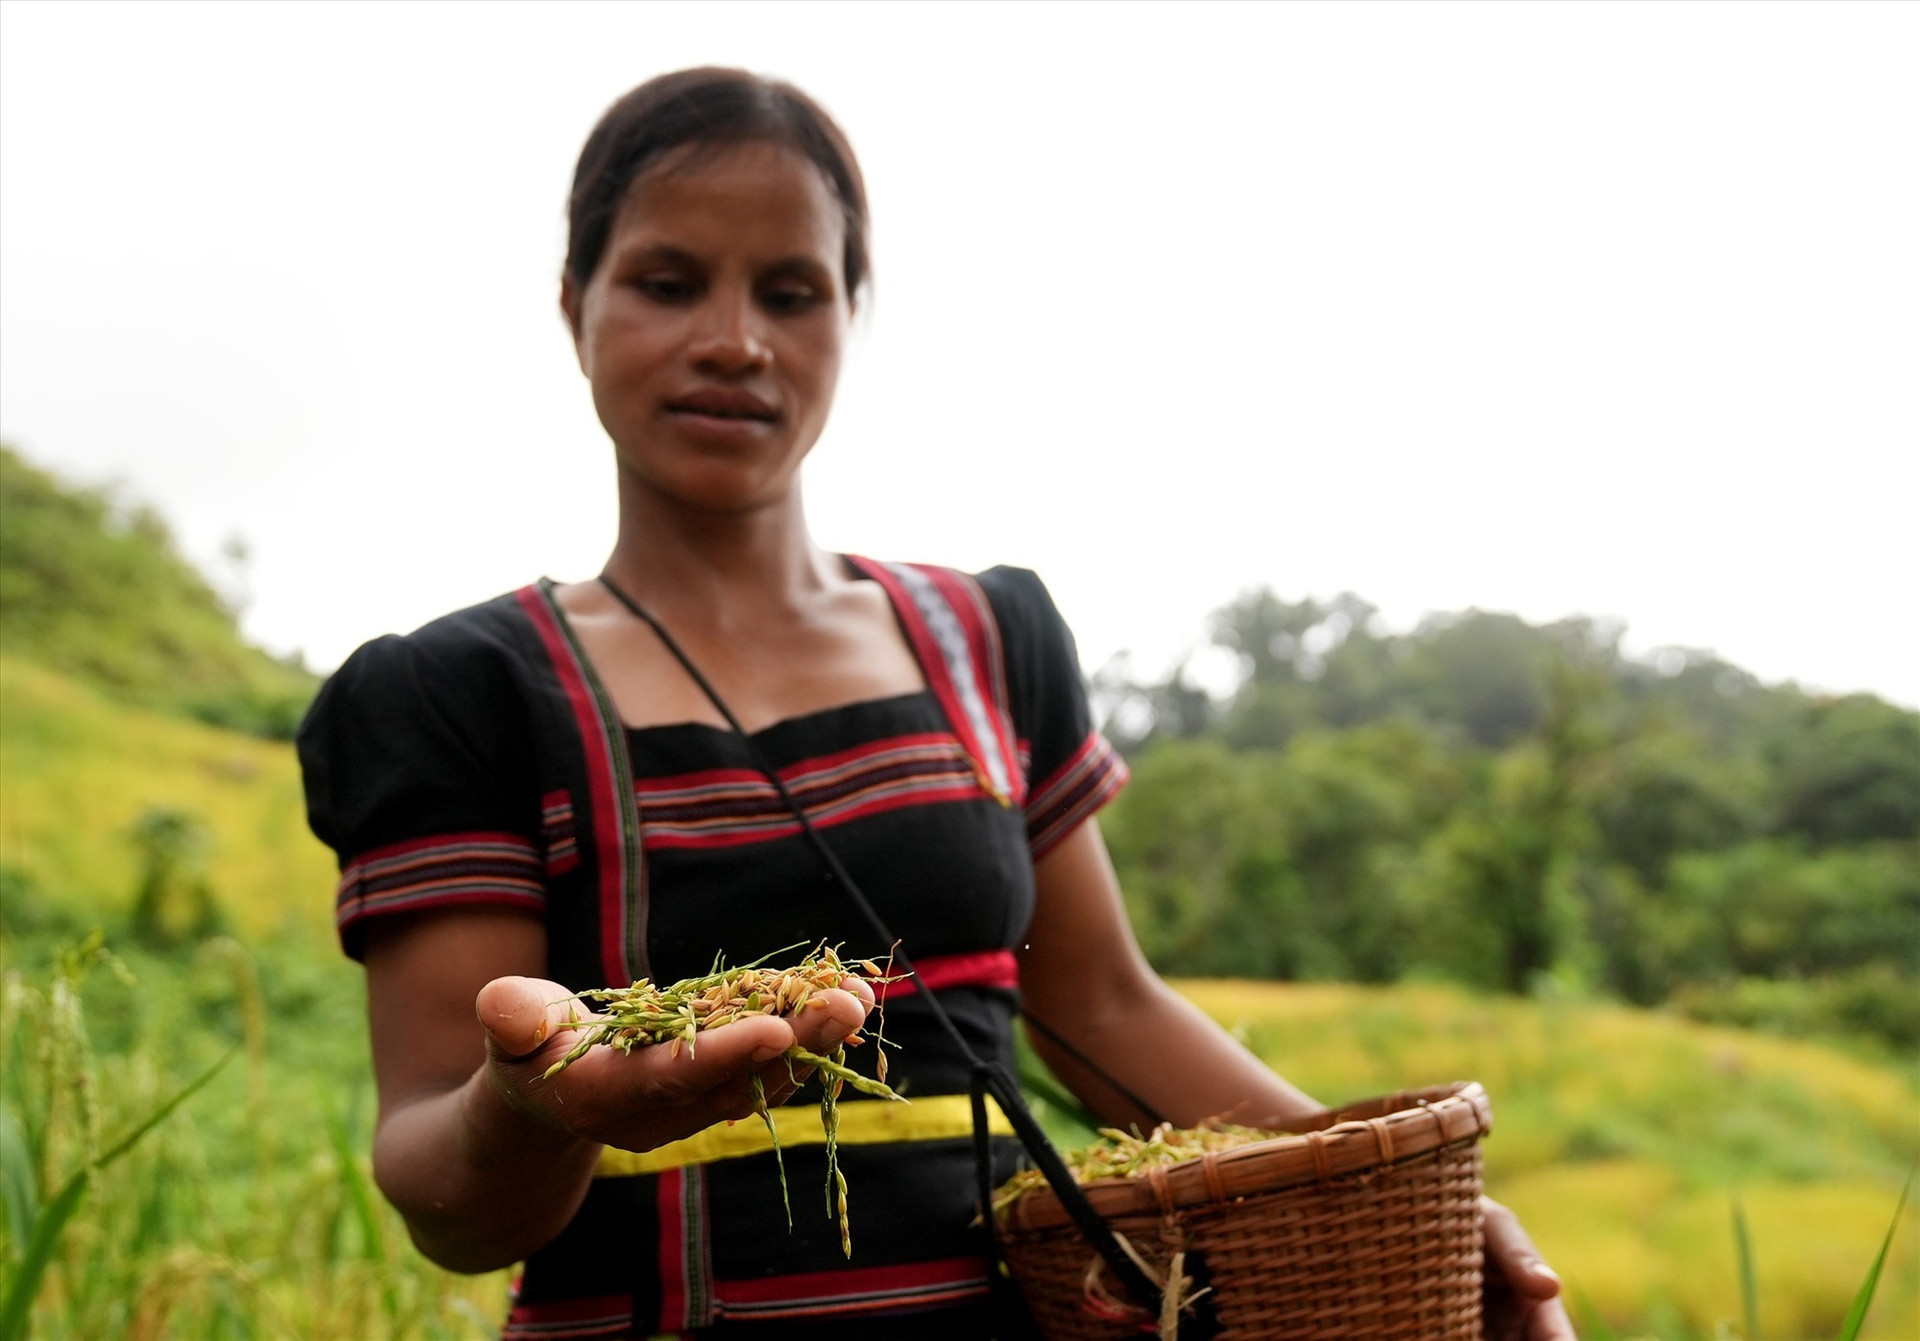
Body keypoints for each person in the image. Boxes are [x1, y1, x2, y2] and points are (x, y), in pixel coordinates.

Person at [297, 67, 1575, 1340]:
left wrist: (1405, 1196)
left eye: (790, 292)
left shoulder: (985, 638)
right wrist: (537, 1108)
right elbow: (445, 1194)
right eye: (669, 281)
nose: (735, 339)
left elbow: (1106, 1006)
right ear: (576, 303)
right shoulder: (458, 694)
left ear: (852, 316)